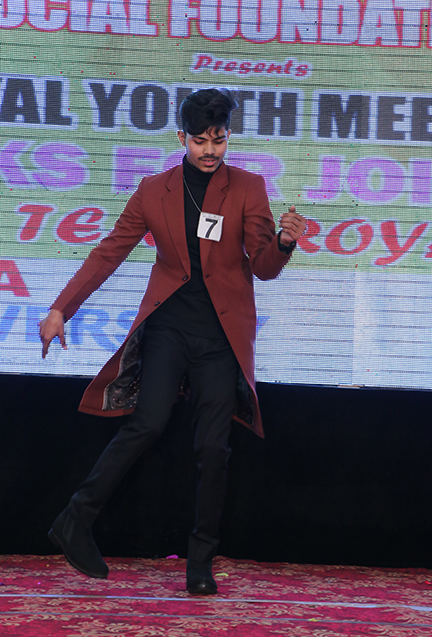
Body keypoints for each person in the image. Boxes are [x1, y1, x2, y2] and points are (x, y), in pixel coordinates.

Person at [39, 87, 306, 595]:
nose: (210, 150)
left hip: (220, 335)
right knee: (147, 423)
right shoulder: (153, 190)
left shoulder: (248, 187)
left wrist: (284, 243)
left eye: (219, 140)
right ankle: (75, 519)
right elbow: (108, 252)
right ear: (181, 137)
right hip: (168, 327)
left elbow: (263, 267)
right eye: (201, 140)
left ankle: (200, 561)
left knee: (212, 447)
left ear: (228, 137)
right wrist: (60, 309)